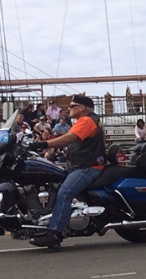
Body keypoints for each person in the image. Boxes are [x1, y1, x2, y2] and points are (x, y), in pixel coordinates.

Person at [28, 94, 105, 248]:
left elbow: (69, 138)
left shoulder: (86, 120)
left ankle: (55, 233)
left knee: (65, 193)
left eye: (71, 106)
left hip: (87, 167)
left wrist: (42, 144)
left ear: (82, 108)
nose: (68, 108)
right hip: (81, 165)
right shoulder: (88, 120)